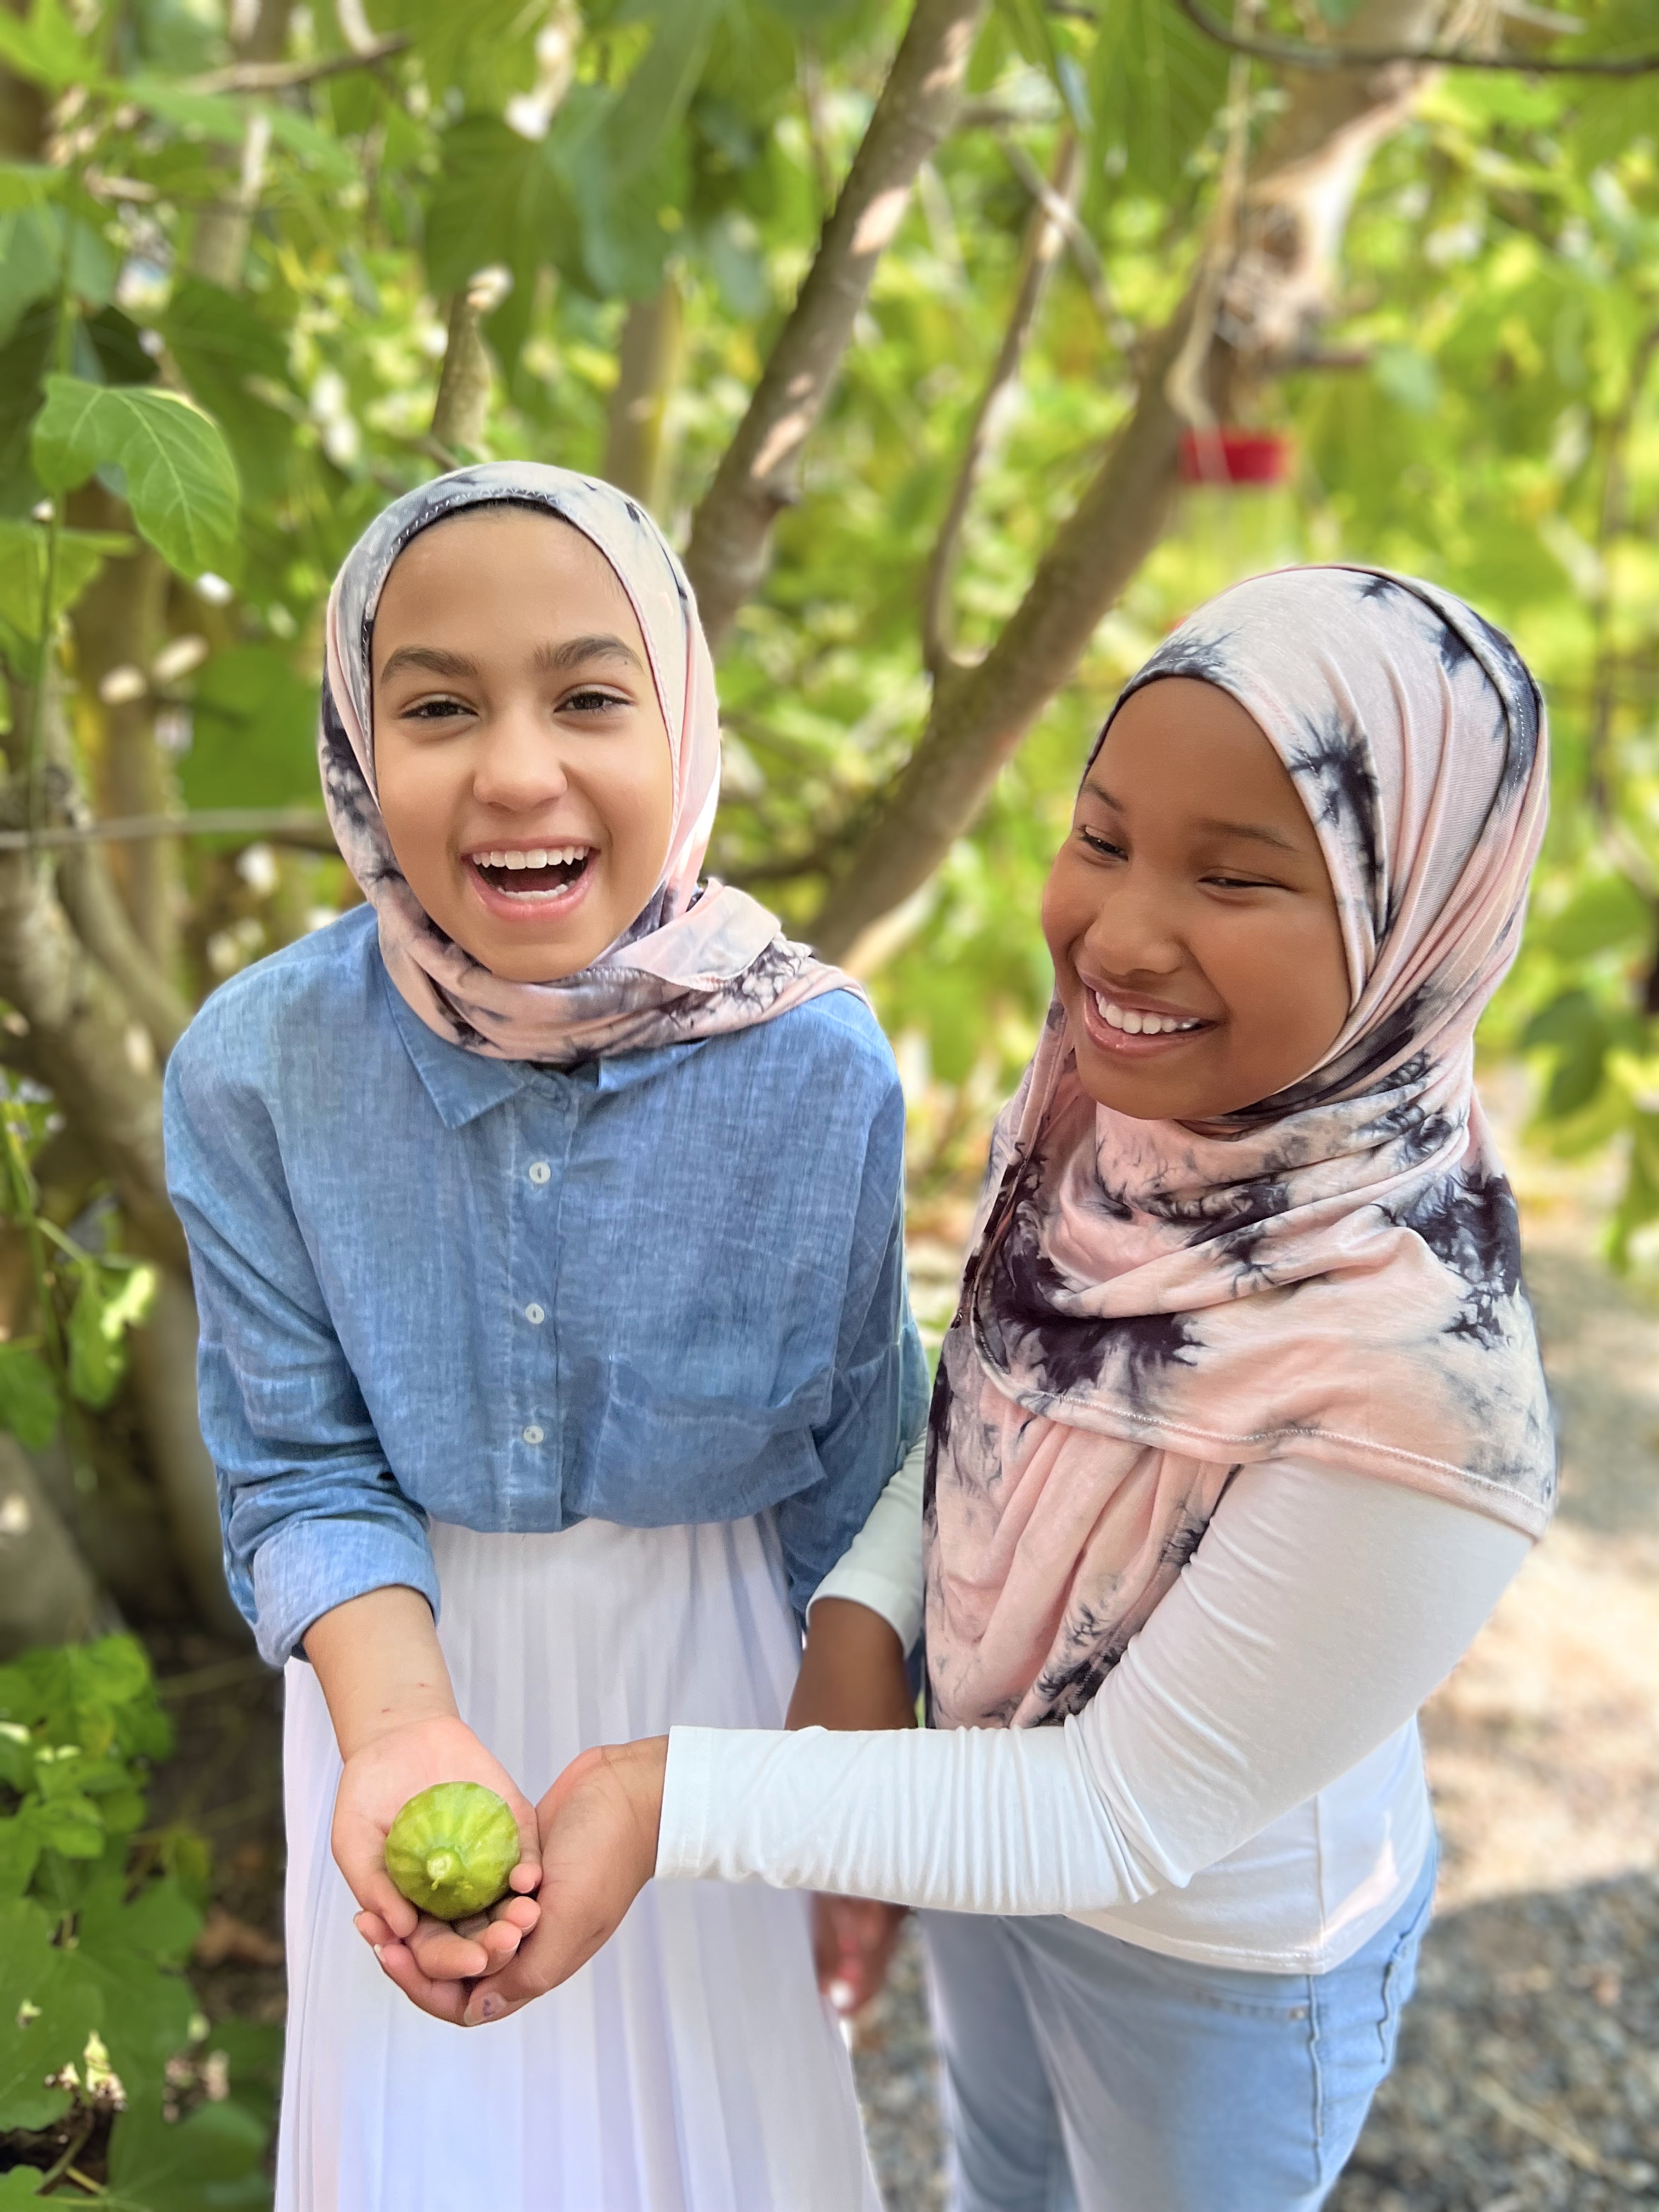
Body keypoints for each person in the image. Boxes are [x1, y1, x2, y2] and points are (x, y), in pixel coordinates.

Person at [449, 567, 1556, 2212]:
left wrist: (663, 1795)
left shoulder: (1423, 1382)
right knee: (1001, 2181)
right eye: (1102, 838)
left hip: (1209, 1951)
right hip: (985, 1837)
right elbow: (989, 1403)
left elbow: (1122, 1812)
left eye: (1236, 876)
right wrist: (860, 1634)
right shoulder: (1110, 1122)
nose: (1118, 930)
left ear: (1420, 926)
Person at [162, 462, 928, 2212]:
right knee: (447, 2146)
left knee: (726, 2134)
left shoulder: (815, 1068)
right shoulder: (258, 1070)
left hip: (720, 1690)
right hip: (399, 1670)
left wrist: (853, 1801)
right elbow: (298, 1463)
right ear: (360, 741)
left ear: (686, 717)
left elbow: (858, 1463)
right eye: (437, 706)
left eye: (589, 695)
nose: (517, 769)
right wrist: (402, 1734)